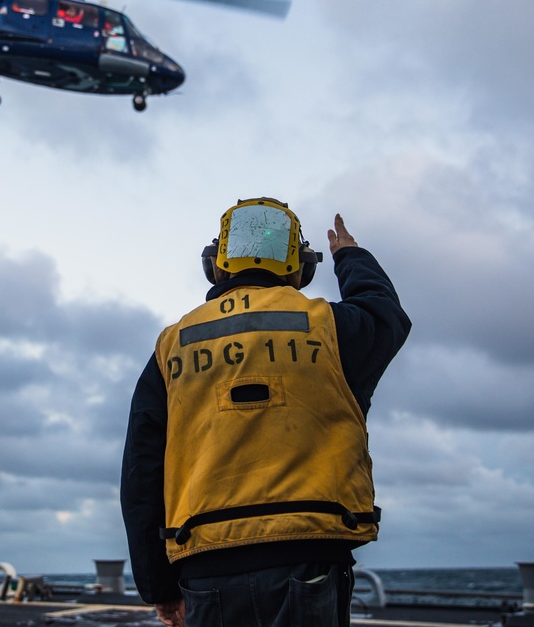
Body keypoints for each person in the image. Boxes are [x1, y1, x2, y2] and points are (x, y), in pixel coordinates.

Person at [121, 198, 411, 627]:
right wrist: (351, 256)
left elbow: (141, 473)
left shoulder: (172, 345)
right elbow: (384, 314)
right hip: (309, 557)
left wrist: (159, 588)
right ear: (301, 269)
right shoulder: (329, 328)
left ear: (215, 266)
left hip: (205, 566)